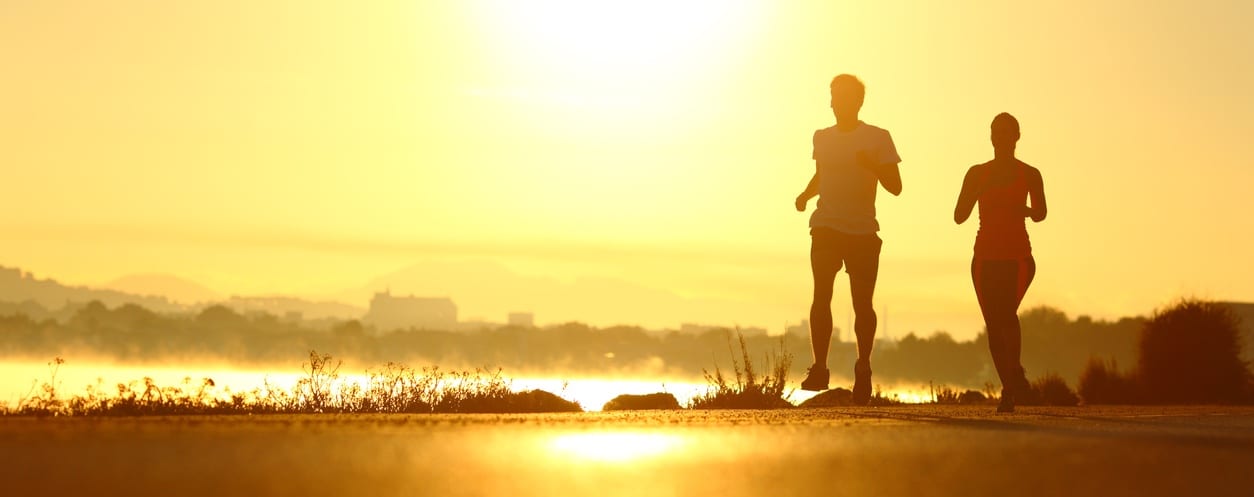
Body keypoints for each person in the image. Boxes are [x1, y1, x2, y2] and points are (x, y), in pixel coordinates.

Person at [794, 74, 902, 405]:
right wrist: (805, 194)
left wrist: (872, 164)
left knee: (862, 304)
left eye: (843, 97)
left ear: (858, 101)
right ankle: (820, 367)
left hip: (863, 231)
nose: (836, 103)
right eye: (833, 97)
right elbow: (822, 174)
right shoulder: (822, 138)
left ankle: (864, 367)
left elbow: (895, 186)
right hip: (826, 224)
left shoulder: (878, 137)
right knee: (821, 293)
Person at [953, 112, 1047, 413]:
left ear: (1017, 137)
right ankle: (1010, 385)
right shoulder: (976, 173)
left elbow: (1041, 212)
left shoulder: (1030, 174)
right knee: (993, 324)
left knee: (1006, 313)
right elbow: (959, 216)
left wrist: (1024, 210)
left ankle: (1013, 377)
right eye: (997, 132)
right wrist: (978, 192)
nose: (1002, 137)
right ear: (990, 136)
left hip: (1018, 258)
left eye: (1008, 132)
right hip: (984, 259)